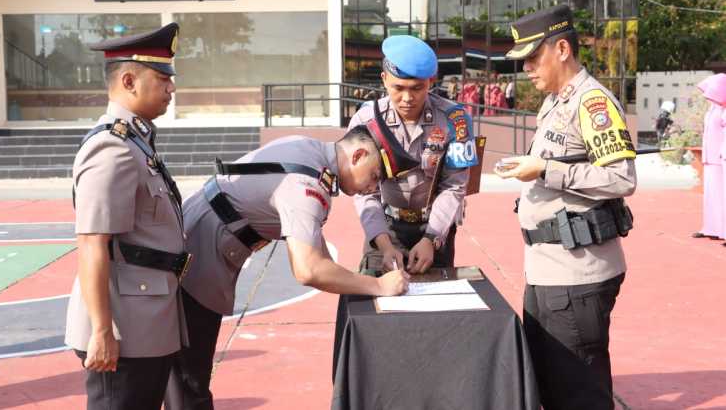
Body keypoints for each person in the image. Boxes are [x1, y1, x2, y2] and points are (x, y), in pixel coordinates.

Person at [163, 105, 411, 410]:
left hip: (202, 238)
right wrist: (379, 287)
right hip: (199, 256)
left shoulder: (310, 151)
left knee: (183, 377)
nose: (372, 188)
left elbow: (320, 257)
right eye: (374, 177)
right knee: (189, 382)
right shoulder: (307, 186)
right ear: (357, 155)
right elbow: (309, 269)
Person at [494, 5, 637, 410]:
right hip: (549, 269)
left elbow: (622, 179)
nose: (527, 70)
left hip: (577, 274)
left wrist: (545, 170)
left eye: (532, 58)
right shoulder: (557, 103)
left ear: (561, 49)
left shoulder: (591, 103)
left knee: (578, 392)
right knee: (551, 385)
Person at [65, 23, 188, 410]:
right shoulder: (112, 148)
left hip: (146, 320)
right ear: (130, 81)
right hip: (124, 329)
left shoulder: (136, 141)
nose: (171, 88)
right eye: (162, 78)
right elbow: (91, 242)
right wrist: (102, 331)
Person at [348, 35, 478, 276]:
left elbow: (454, 187)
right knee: (373, 303)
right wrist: (385, 245)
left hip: (435, 228)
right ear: (384, 79)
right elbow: (365, 192)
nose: (408, 98)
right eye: (398, 88)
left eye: (417, 88)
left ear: (430, 81)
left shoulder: (454, 120)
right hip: (385, 228)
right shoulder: (366, 122)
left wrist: (431, 238)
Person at [693, 73, 726, 240]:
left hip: (720, 158)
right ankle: (711, 228)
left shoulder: (723, 110)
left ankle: (722, 230)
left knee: (721, 196)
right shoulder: (712, 109)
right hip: (709, 157)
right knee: (711, 196)